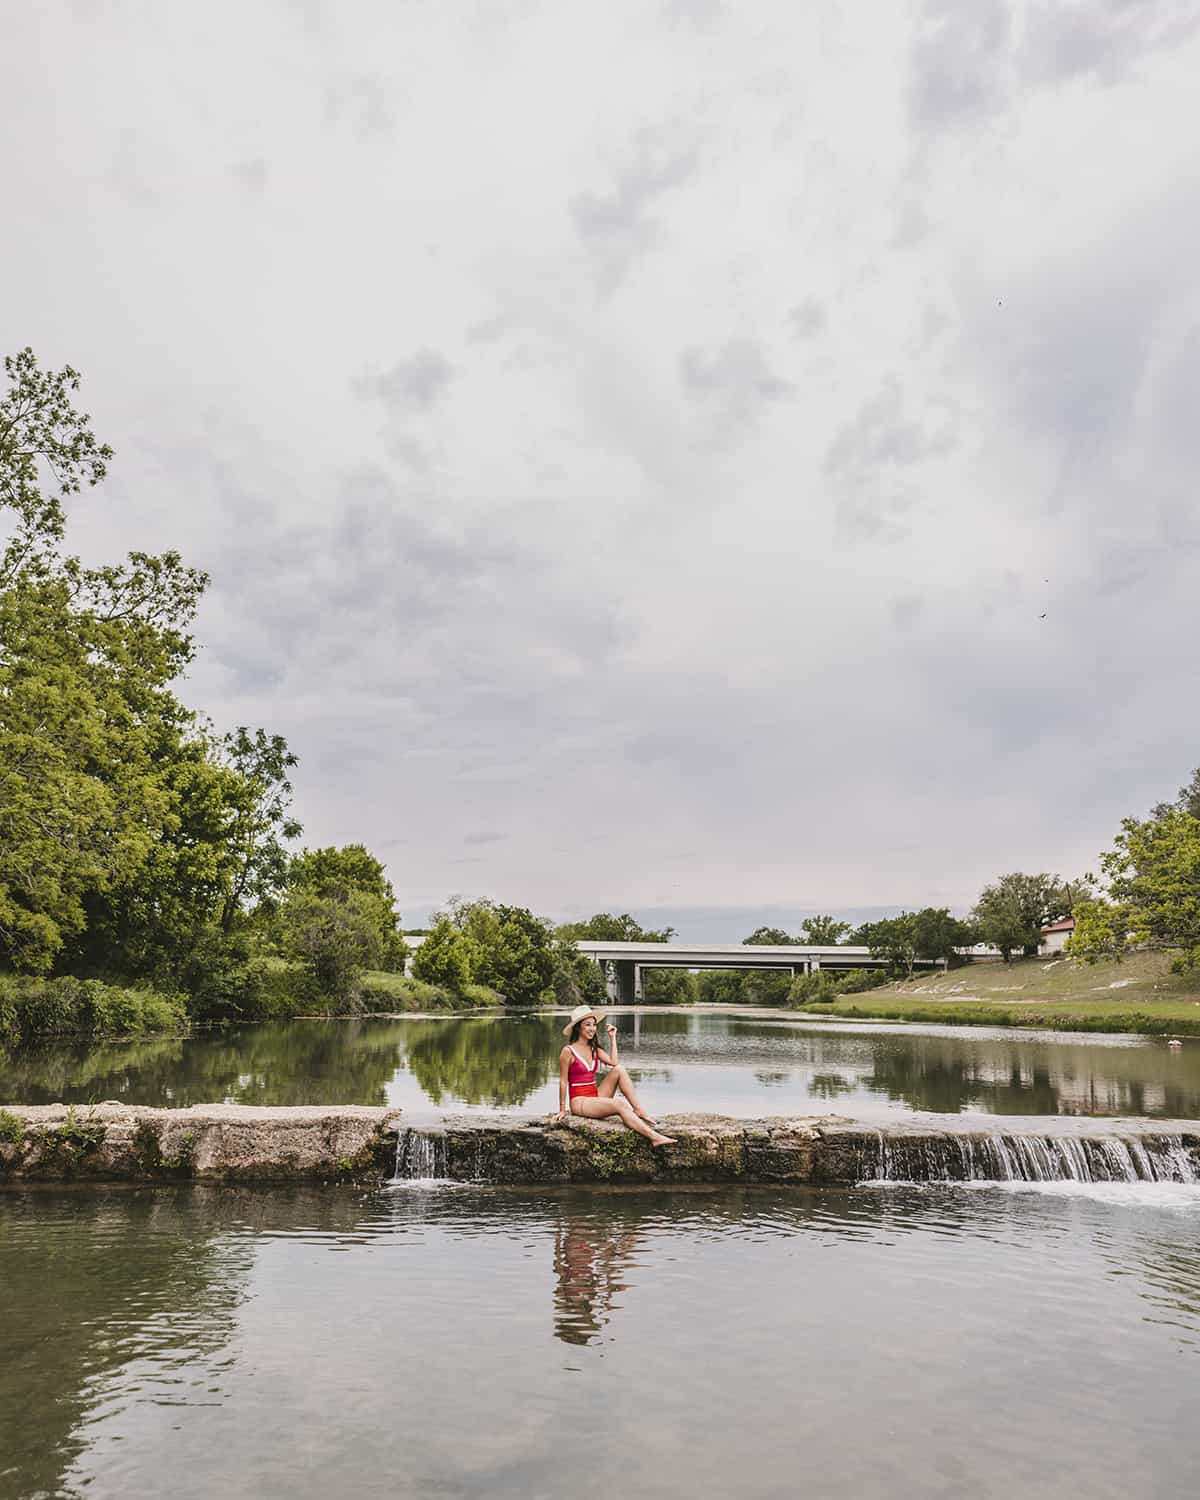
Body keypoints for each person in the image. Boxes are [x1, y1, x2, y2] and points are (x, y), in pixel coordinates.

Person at [554, 1005, 675, 1146]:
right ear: (578, 1028)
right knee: (619, 1104)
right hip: (579, 1102)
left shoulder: (594, 1049)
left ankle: (638, 1109)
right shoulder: (568, 1051)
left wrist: (613, 1038)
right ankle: (654, 1137)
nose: (592, 1029)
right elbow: (563, 1081)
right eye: (587, 1025)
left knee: (620, 1070)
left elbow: (613, 1062)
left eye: (594, 1025)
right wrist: (562, 1109)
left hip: (595, 1096)